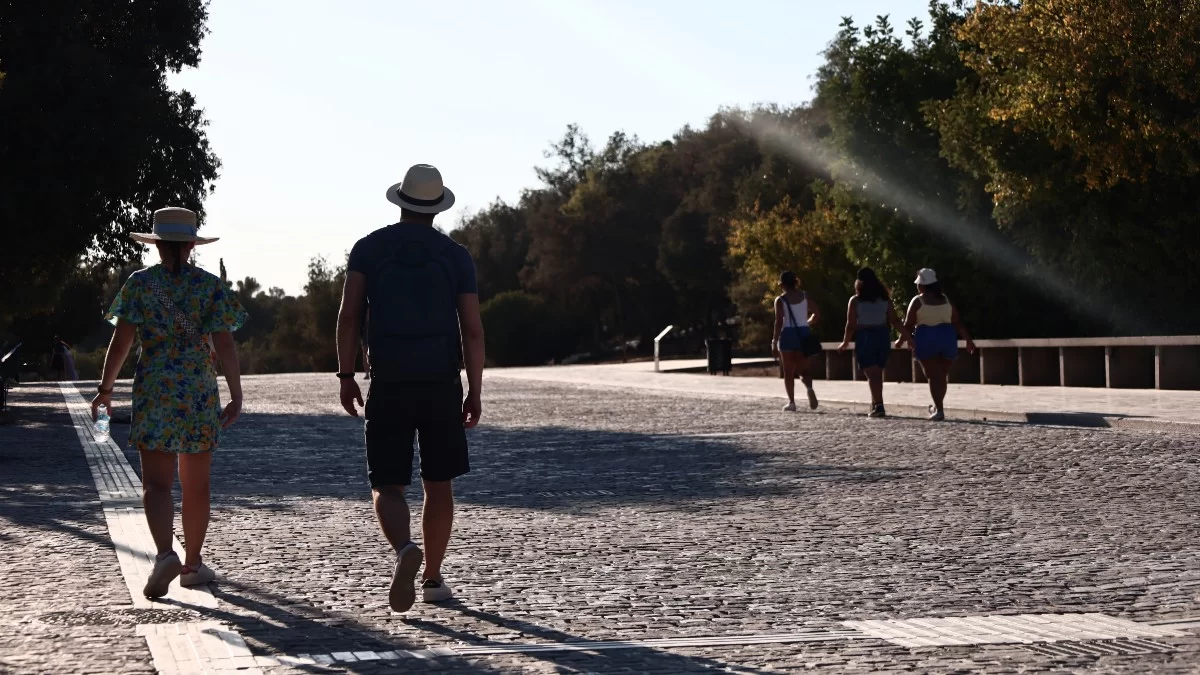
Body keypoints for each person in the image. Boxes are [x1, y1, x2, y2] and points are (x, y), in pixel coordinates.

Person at [335, 164, 485, 612]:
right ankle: (434, 578)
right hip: (440, 381)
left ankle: (404, 549)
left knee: (387, 482)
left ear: (400, 201)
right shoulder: (456, 256)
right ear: (437, 207)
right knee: (439, 485)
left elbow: (349, 316)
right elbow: (472, 330)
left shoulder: (369, 249)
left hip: (390, 380)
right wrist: (473, 389)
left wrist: (346, 374)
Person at [90, 207, 247, 597]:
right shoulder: (209, 286)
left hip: (155, 389)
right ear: (192, 244)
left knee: (157, 484)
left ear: (158, 245)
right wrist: (236, 393)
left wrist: (106, 389)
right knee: (197, 486)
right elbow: (224, 343)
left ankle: (164, 555)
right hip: (197, 390)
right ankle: (192, 564)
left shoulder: (140, 284)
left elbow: (122, 341)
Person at [895, 268, 975, 421]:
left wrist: (901, 340)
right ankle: (938, 406)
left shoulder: (918, 301)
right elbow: (956, 322)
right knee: (941, 375)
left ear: (922, 286)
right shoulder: (946, 300)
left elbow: (909, 324)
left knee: (933, 376)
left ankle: (939, 409)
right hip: (947, 338)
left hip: (926, 338)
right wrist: (968, 340)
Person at [836, 268, 909, 418]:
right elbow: (894, 320)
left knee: (872, 374)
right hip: (882, 335)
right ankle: (875, 403)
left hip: (865, 336)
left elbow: (850, 324)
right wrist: (908, 337)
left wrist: (845, 342)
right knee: (876, 373)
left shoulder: (855, 301)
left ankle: (879, 405)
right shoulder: (885, 300)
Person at [771, 271, 822, 412]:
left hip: (787, 334)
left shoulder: (780, 300)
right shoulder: (805, 296)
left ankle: (792, 402)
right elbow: (817, 313)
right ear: (795, 282)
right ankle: (809, 388)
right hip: (803, 333)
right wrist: (807, 323)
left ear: (782, 284)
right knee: (803, 369)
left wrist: (774, 341)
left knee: (788, 371)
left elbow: (778, 322)